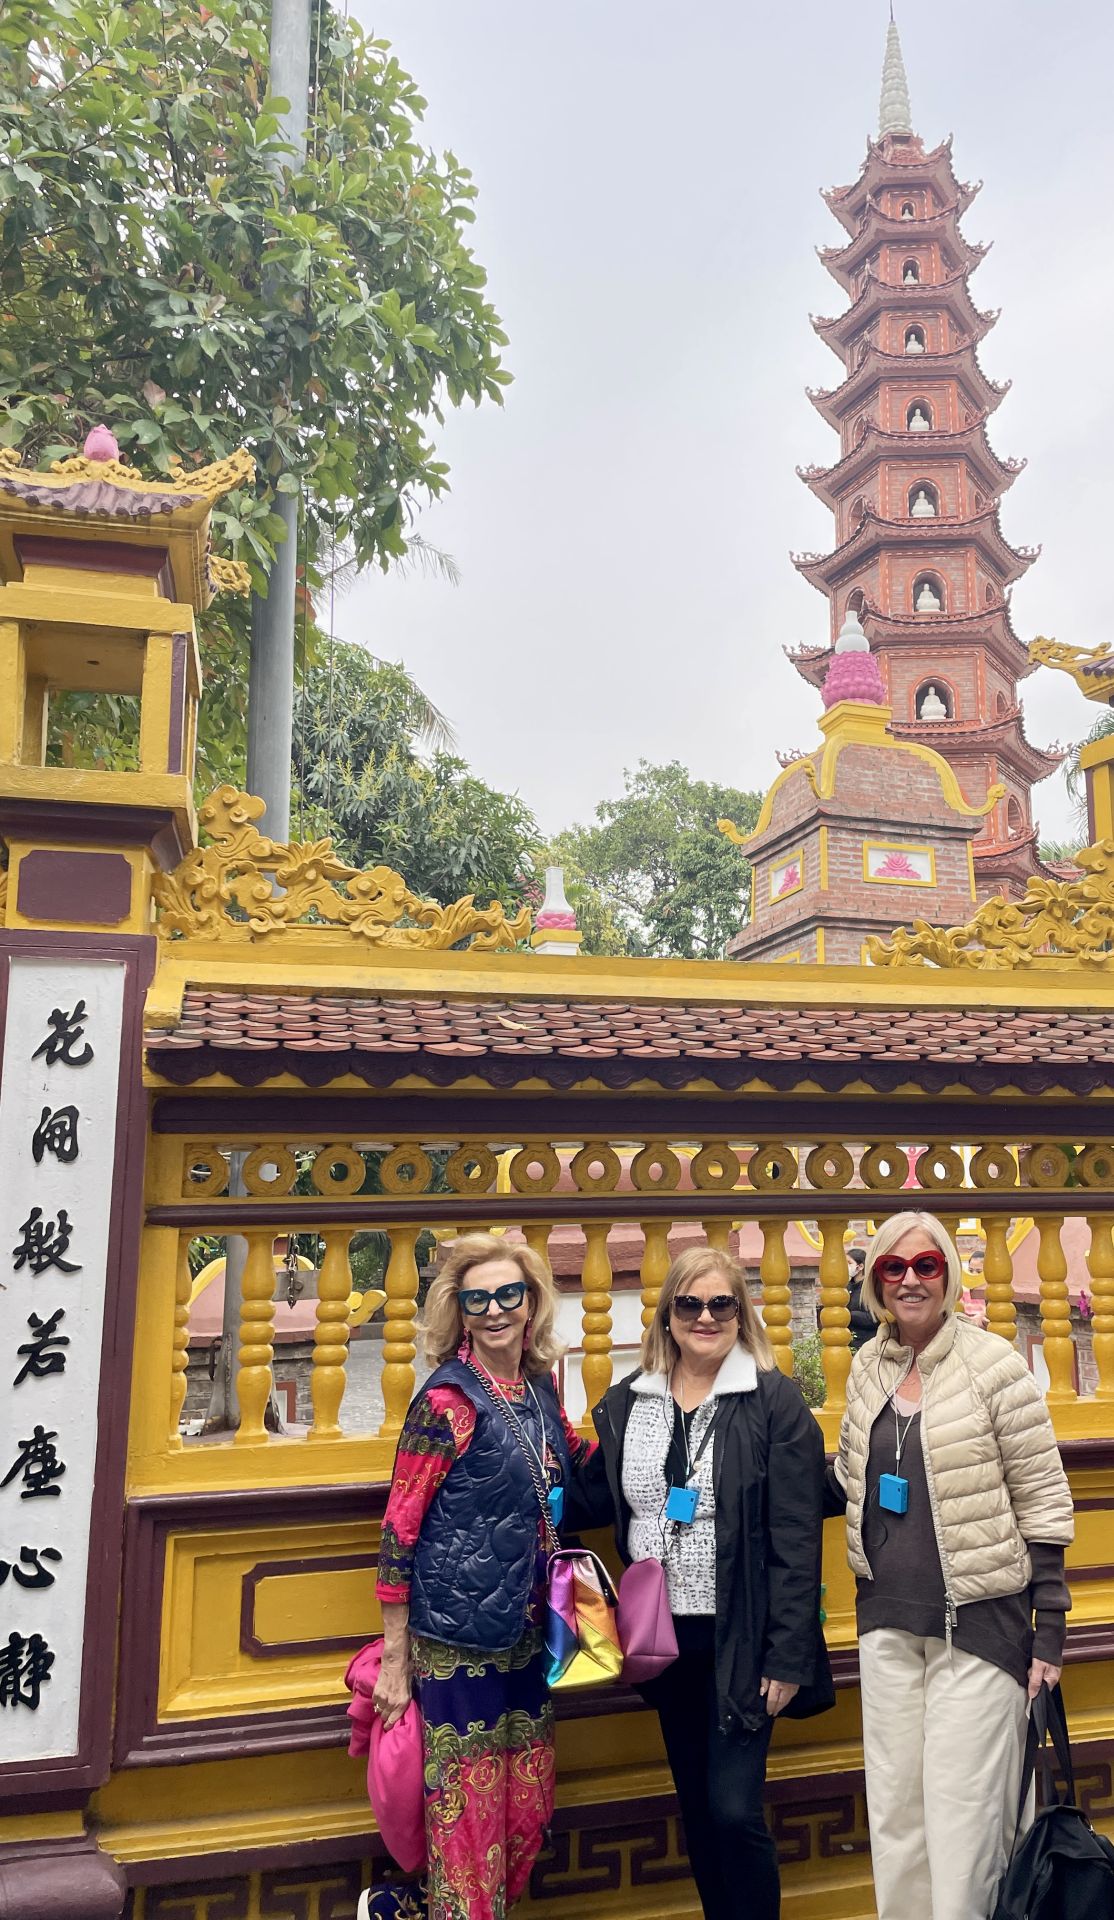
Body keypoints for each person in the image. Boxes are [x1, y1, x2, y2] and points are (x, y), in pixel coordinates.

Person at [571, 1247, 832, 1920]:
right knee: (697, 1804)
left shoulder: (772, 1401)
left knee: (733, 1807)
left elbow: (797, 1538)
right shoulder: (630, 1402)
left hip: (741, 1633)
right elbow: (599, 1499)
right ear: (667, 1316)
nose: (706, 1318)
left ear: (741, 1315)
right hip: (662, 1639)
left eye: (722, 1304)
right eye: (690, 1304)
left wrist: (787, 1653)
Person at [827, 1210, 1074, 1920]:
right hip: (885, 1626)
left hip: (982, 1630)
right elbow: (851, 1479)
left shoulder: (994, 1365)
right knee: (899, 1824)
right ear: (875, 1280)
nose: (909, 1280)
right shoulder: (868, 1366)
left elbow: (1044, 1503)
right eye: (893, 1268)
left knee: (966, 1833)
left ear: (948, 1274)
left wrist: (1049, 1634)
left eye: (925, 1265)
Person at [371, 1233, 591, 1920]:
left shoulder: (540, 1390)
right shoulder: (445, 1404)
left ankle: (400, 1909)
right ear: (460, 1313)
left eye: (508, 1295)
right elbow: (397, 1532)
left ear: (531, 1304)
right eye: (478, 1299)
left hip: (530, 1633)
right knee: (466, 1828)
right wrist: (395, 1661)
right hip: (456, 1644)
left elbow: (578, 1461)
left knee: (526, 1815)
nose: (495, 1310)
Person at [846, 1244, 875, 1351]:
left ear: (860, 1266)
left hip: (866, 1345)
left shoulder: (869, 1288)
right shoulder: (847, 1286)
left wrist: (849, 1314)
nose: (846, 1266)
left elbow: (873, 1318)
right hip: (848, 1344)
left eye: (849, 1263)